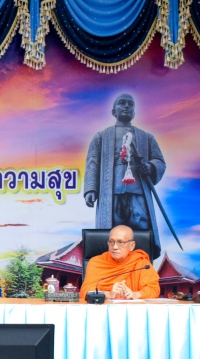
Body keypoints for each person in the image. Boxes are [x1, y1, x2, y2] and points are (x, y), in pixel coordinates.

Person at [84, 93, 166, 260]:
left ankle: (141, 263)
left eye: (131, 104)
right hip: (111, 193)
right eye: (122, 103)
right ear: (113, 111)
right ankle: (113, 266)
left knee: (141, 228)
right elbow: (92, 163)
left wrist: (150, 166)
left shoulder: (146, 137)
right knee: (112, 232)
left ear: (134, 112)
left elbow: (159, 161)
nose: (127, 106)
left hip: (138, 192)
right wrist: (91, 189)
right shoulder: (101, 136)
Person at [79, 225, 160, 302]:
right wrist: (109, 294)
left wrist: (135, 294)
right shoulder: (96, 263)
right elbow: (86, 292)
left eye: (120, 242)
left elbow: (154, 289)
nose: (115, 247)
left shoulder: (141, 263)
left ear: (131, 246)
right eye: (111, 242)